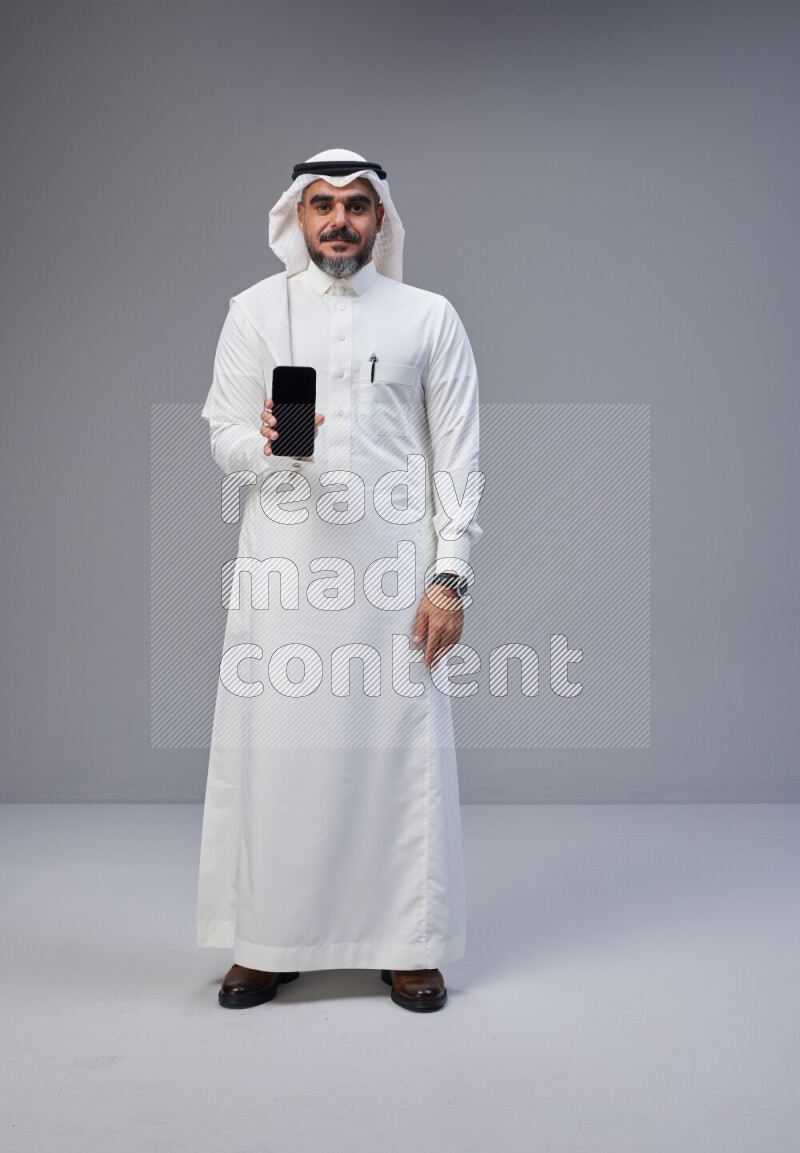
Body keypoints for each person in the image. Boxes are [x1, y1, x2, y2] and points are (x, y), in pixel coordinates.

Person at [197, 149, 483, 1012]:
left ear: (381, 219)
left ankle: (409, 942)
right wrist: (276, 443)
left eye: (356, 206)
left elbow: (458, 455)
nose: (339, 221)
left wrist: (451, 577)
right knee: (280, 756)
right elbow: (222, 433)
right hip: (287, 571)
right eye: (321, 204)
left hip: (396, 575)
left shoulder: (429, 316)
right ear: (297, 215)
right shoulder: (256, 311)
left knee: (399, 753)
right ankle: (267, 941)